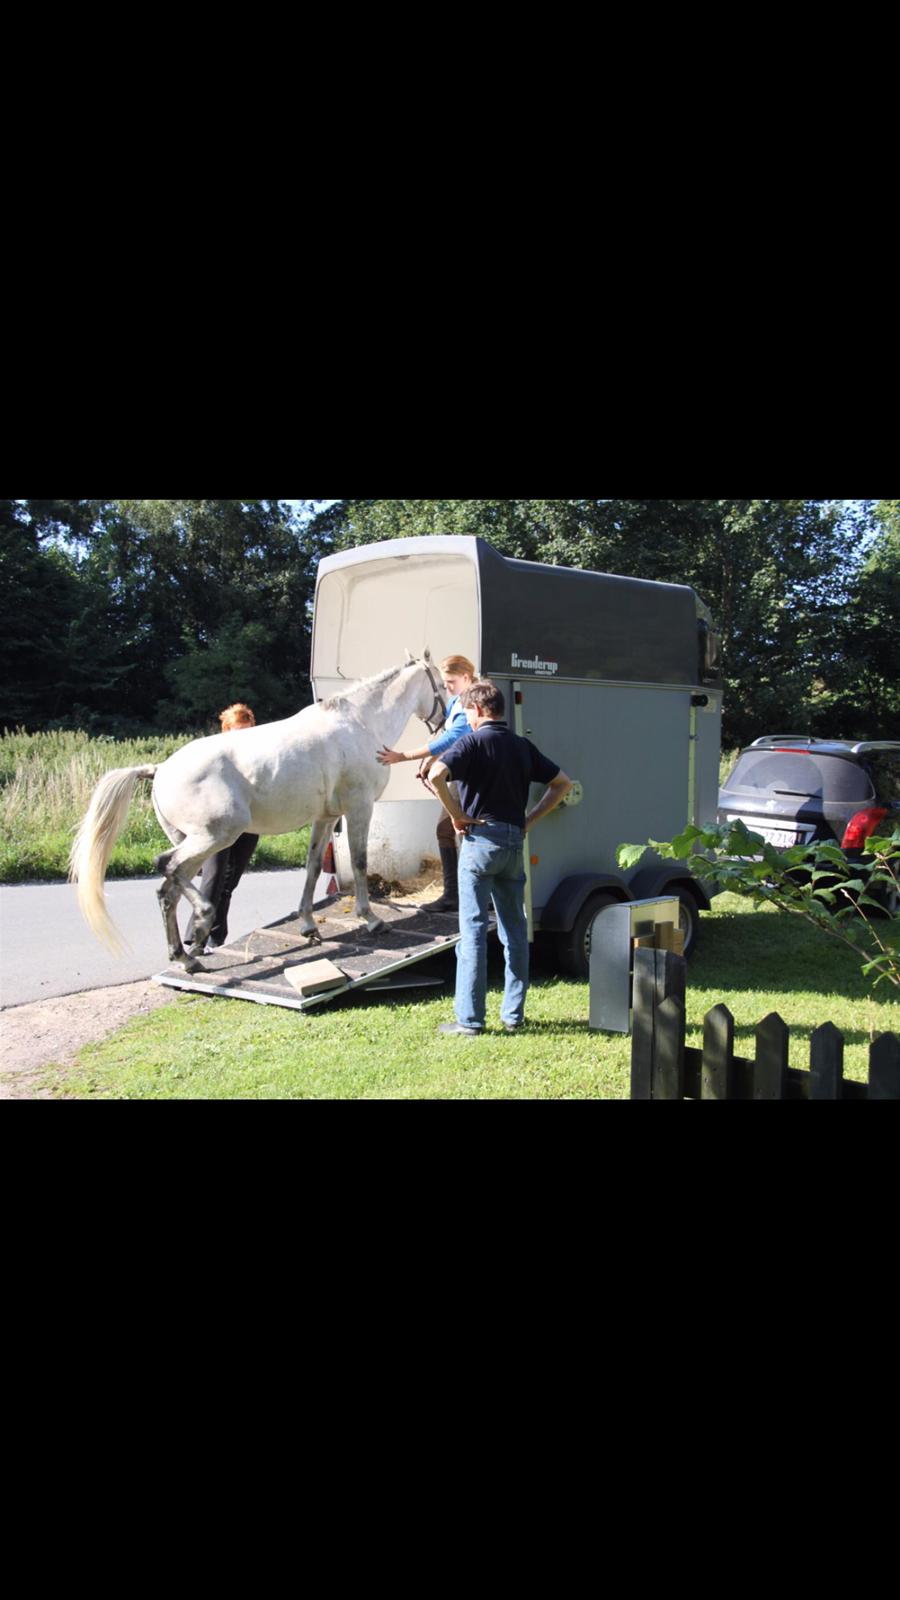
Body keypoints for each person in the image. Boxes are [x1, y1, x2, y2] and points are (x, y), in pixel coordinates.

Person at [428, 680, 572, 1036]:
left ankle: (470, 1021)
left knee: (473, 932)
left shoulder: (472, 742)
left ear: (477, 710)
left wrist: (456, 814)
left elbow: (435, 774)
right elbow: (563, 783)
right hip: (512, 844)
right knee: (514, 932)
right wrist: (530, 820)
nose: (467, 720)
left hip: (480, 844)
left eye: (466, 713)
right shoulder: (522, 746)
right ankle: (513, 1017)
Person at [376, 653, 476, 912]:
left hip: (471, 776)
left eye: (450, 682)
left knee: (455, 831)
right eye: (445, 684)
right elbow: (448, 735)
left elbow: (457, 734)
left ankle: (464, 896)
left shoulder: (472, 699)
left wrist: (404, 756)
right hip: (460, 773)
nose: (448, 689)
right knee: (450, 830)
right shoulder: (456, 700)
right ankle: (459, 895)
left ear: (466, 677)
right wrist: (432, 759)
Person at [184, 702, 260, 953]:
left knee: (230, 881)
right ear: (225, 731)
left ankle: (216, 939)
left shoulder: (258, 756)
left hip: (248, 822)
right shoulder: (212, 755)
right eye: (237, 731)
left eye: (247, 731)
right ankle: (195, 937)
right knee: (214, 876)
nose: (242, 737)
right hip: (218, 822)